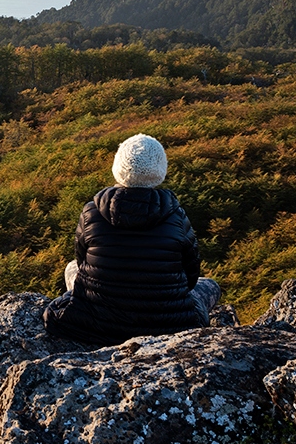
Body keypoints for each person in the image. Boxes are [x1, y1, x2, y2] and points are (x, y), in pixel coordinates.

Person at [43, 133, 221, 347]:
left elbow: (82, 262)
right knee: (210, 285)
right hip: (169, 327)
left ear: (118, 167)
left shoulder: (91, 211)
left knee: (71, 268)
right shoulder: (176, 217)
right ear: (159, 171)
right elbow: (191, 277)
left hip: (96, 324)